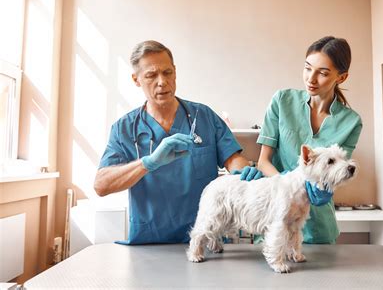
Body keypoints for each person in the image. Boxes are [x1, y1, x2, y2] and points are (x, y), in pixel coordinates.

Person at [94, 40, 262, 244]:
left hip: (206, 240)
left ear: (175, 71)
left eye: (167, 73)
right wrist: (147, 163)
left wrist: (245, 172)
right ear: (136, 79)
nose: (162, 81)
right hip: (151, 244)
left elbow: (233, 159)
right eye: (151, 75)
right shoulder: (125, 129)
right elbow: (101, 185)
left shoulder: (204, 117)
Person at [256, 36, 362, 244]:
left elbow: (338, 173)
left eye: (323, 73)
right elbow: (263, 162)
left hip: (320, 227)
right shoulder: (282, 101)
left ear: (341, 77)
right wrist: (285, 190)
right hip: (276, 220)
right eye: (307, 68)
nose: (311, 79)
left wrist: (324, 192)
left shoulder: (351, 122)